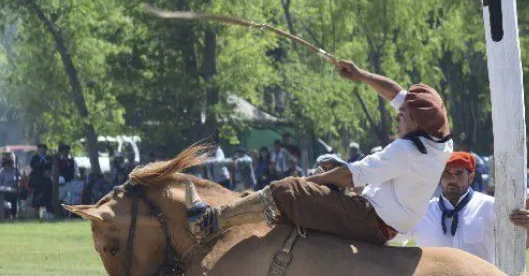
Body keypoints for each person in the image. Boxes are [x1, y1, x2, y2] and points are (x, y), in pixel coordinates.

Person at [188, 60, 452, 245]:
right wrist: (359, 74)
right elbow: (395, 92)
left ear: (416, 122)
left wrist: (303, 183)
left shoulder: (406, 151)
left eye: (402, 116)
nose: (398, 119)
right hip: (382, 214)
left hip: (371, 221)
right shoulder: (438, 138)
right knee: (326, 171)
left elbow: (351, 175)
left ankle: (211, 222)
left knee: (288, 189)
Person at [29, 144, 55, 215]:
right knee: (37, 197)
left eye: (44, 149)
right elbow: (33, 167)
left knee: (48, 197)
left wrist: (49, 173)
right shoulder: (35, 158)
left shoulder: (49, 158)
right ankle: (36, 214)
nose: (43, 151)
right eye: (41, 149)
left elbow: (52, 167)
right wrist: (42, 173)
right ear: (38, 150)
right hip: (38, 181)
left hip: (47, 180)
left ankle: (49, 213)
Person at [0, 154, 22, 218]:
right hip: (4, 191)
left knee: (14, 199)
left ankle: (14, 215)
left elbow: (20, 179)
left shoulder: (16, 170)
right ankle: (3, 214)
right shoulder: (2, 171)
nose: (8, 166)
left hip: (14, 190)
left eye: (9, 164)